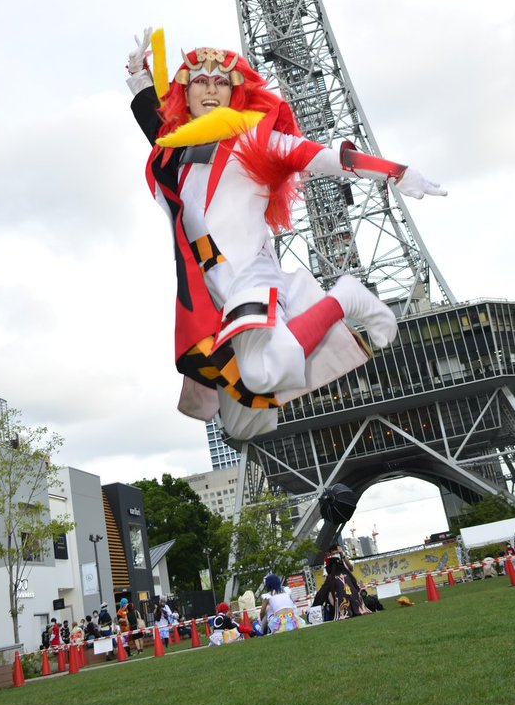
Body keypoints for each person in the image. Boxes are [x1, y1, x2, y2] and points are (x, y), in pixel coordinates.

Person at [127, 29, 446, 439]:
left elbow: (324, 157)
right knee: (244, 422)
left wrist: (396, 172)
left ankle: (346, 297)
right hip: (208, 287)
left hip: (249, 272)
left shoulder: (257, 139)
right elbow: (154, 124)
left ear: (235, 93)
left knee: (263, 373)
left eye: (221, 82)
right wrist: (139, 76)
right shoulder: (173, 151)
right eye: (200, 81)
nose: (210, 90)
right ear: (184, 93)